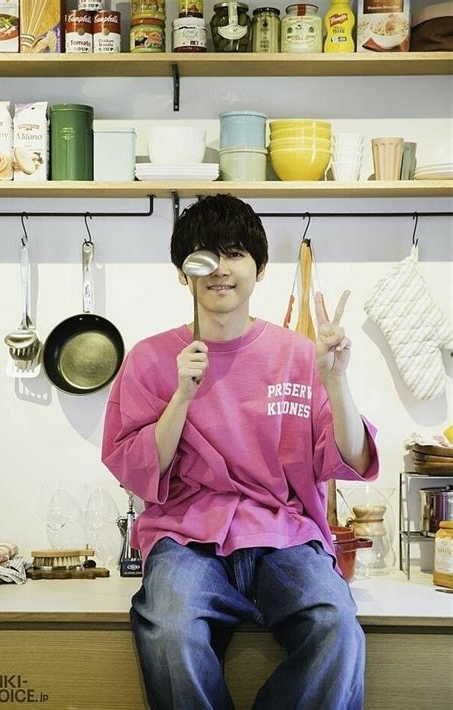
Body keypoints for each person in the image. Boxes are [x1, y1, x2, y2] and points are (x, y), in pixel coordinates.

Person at [102, 194, 379, 710]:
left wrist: (336, 383)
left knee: (336, 627)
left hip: (285, 535)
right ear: (184, 273)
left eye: (234, 253)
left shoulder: (299, 354)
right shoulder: (150, 359)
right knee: (167, 629)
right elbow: (138, 473)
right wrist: (181, 395)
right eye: (204, 256)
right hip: (186, 537)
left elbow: (353, 460)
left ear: (260, 268)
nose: (220, 269)